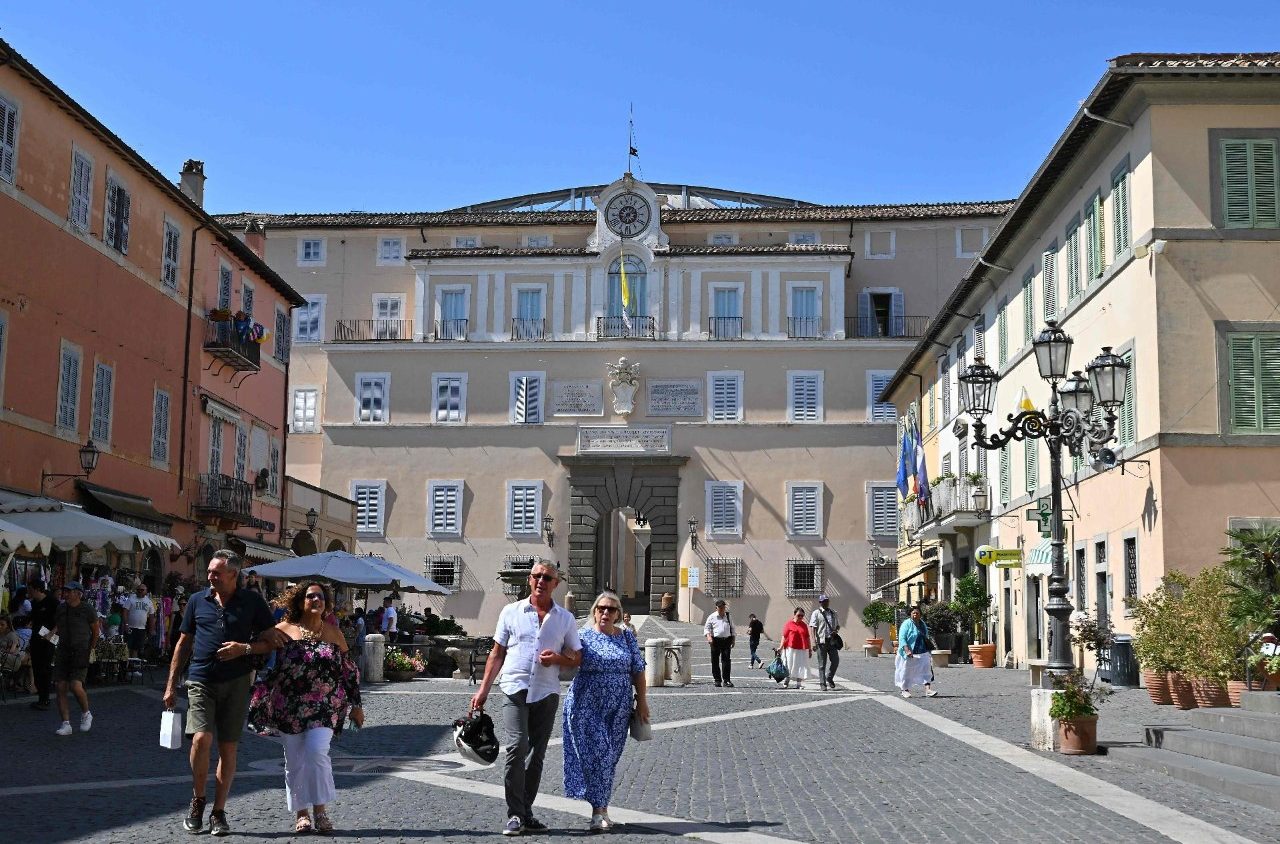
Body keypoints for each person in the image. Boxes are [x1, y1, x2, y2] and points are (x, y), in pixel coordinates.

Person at [164, 550, 288, 837]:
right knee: (201, 737)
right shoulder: (197, 601)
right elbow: (183, 644)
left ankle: (218, 812)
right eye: (209, 571)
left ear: (234, 575)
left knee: (228, 748)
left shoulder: (252, 602)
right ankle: (198, 800)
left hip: (237, 682)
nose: (210, 576)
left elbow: (273, 641)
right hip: (201, 680)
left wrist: (243, 648)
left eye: (216, 572)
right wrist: (171, 685)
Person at [470, 561, 582, 837]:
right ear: (529, 581)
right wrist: (483, 689)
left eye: (547, 578)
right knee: (517, 747)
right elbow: (497, 653)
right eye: (537, 576)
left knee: (536, 756)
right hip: (514, 687)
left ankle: (525, 812)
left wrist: (557, 658)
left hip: (546, 691)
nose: (541, 581)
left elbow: (577, 657)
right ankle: (515, 814)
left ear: (556, 584)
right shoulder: (511, 611)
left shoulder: (565, 618)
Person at [247, 582, 363, 835]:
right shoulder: (284, 630)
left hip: (325, 705)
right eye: (310, 596)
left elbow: (349, 670)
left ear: (326, 603)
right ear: (300, 602)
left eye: (320, 597)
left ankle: (320, 810)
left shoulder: (334, 633)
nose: (315, 600)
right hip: (288, 704)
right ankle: (302, 813)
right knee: (295, 761)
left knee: (316, 752)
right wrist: (255, 642)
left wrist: (356, 704)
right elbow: (259, 656)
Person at [562, 590, 647, 832]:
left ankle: (602, 807)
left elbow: (638, 670)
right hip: (586, 704)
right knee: (599, 754)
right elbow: (569, 661)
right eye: (601, 609)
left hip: (619, 707)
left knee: (610, 758)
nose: (605, 613)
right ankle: (598, 811)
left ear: (618, 613)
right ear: (594, 612)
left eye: (611, 609)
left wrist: (642, 702)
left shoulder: (627, 637)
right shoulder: (583, 636)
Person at [52, 581, 99, 735]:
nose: (65, 594)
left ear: (78, 594)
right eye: (64, 591)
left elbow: (95, 630)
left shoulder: (87, 609)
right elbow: (58, 626)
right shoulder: (61, 608)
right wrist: (50, 635)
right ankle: (66, 724)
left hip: (80, 651)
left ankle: (86, 713)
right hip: (63, 651)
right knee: (60, 687)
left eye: (69, 591)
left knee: (75, 685)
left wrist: (90, 649)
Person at [27, 578, 57, 711]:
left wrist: (51, 634)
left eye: (30, 589)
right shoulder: (34, 603)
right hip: (36, 638)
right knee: (36, 668)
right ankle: (41, 698)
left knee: (45, 669)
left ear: (38, 589)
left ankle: (45, 699)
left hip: (48, 639)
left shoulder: (52, 602)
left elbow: (60, 621)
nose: (29, 592)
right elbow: (33, 619)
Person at [895, 605, 938, 699]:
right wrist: (906, 650)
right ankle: (904, 690)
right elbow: (902, 638)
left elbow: (925, 636)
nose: (915, 615)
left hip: (922, 651)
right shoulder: (906, 624)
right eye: (913, 613)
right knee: (907, 671)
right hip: (910, 652)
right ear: (910, 614)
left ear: (920, 614)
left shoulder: (922, 624)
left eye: (917, 613)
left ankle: (928, 690)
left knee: (926, 670)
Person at [808, 594, 841, 691]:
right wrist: (813, 642)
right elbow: (812, 628)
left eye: (827, 601)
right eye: (823, 601)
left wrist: (836, 630)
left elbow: (838, 625)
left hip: (832, 641)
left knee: (835, 661)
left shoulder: (833, 613)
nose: (825, 602)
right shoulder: (816, 613)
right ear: (820, 602)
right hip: (821, 641)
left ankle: (829, 677)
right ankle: (822, 684)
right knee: (822, 664)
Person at [703, 600, 735, 688]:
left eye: (723, 607)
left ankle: (726, 680)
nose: (722, 609)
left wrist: (733, 640)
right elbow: (707, 628)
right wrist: (709, 637)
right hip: (715, 641)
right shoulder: (712, 617)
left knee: (726, 661)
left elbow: (732, 628)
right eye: (720, 607)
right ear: (716, 608)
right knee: (715, 660)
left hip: (726, 640)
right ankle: (717, 680)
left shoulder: (728, 616)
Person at [121, 583, 156, 660]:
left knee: (136, 648)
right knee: (128, 647)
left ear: (146, 591)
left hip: (141, 629)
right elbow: (125, 612)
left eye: (142, 590)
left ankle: (133, 668)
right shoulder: (131, 598)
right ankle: (126, 667)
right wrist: (126, 624)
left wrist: (151, 629)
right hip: (130, 627)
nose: (140, 591)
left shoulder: (149, 602)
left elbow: (151, 616)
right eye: (138, 590)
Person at [780, 608, 812, 690]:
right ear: (794, 615)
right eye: (799, 615)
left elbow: (807, 637)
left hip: (802, 648)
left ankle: (799, 684)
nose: (800, 617)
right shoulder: (789, 624)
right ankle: (786, 681)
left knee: (801, 666)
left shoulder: (804, 625)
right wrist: (780, 647)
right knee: (789, 665)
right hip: (790, 648)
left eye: (802, 616)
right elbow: (784, 636)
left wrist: (810, 649)